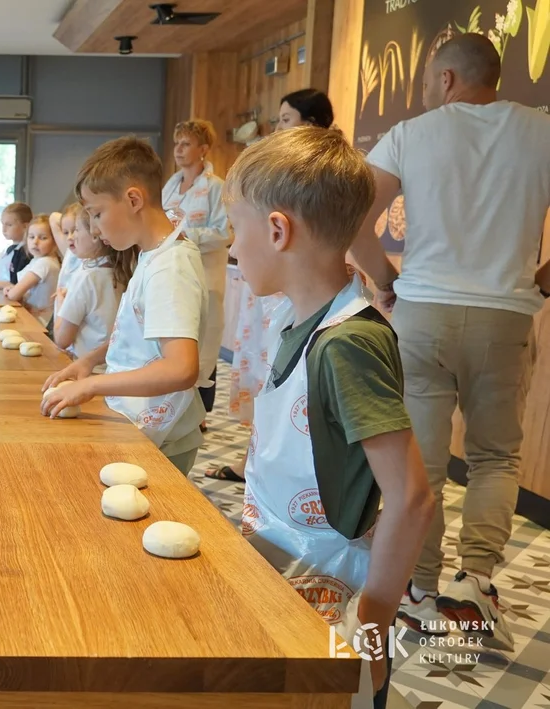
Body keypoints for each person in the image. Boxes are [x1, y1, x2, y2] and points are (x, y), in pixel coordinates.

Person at [349, 33, 550, 652]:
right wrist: (543, 278)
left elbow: (355, 221)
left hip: (423, 314)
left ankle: (417, 585)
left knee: (422, 460)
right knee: (494, 457)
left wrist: (385, 281)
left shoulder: (412, 134)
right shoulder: (540, 129)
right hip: (505, 318)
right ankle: (475, 582)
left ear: (444, 80)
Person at [226, 126, 433, 709]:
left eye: (237, 229)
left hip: (331, 589)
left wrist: (372, 624)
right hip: (283, 564)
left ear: (276, 230)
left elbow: (413, 499)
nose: (233, 249)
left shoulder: (347, 344)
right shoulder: (297, 318)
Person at [42, 137, 210, 474]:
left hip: (162, 437)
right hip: (136, 422)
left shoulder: (169, 267)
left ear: (133, 199)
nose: (96, 229)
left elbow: (180, 368)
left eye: (98, 214)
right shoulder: (153, 255)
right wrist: (89, 361)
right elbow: (140, 331)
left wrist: (90, 385)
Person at [215, 90, 337, 483]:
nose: (278, 127)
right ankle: (259, 457)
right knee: (271, 375)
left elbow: (405, 491)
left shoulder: (343, 341)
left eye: (287, 119)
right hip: (278, 298)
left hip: (316, 534)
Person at [162, 120, 229, 423]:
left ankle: (198, 413)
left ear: (203, 149)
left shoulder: (217, 187)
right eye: (177, 143)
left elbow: (225, 232)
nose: (178, 149)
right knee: (177, 336)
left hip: (206, 274)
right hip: (174, 273)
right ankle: (173, 405)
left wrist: (186, 233)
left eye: (186, 143)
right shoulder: (170, 186)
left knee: (204, 340)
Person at [52, 208, 129, 366]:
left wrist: (61, 302)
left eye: (77, 230)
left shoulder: (85, 277)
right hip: (114, 366)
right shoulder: (122, 271)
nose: (72, 237)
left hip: (87, 368)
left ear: (95, 235)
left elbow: (61, 339)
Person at [4, 215, 62, 323]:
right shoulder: (37, 260)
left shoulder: (44, 263)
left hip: (39, 321)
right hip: (32, 317)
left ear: (55, 241)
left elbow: (14, 295)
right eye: (31, 237)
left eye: (43, 238)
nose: (35, 242)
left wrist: (11, 291)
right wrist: (13, 289)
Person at [52, 202, 84, 315]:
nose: (70, 237)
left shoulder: (87, 259)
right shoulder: (70, 252)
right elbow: (53, 217)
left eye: (75, 230)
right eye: (65, 232)